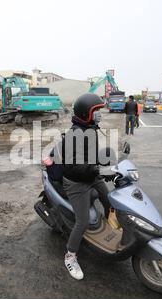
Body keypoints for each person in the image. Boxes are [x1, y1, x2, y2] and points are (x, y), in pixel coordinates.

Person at [60, 93, 112, 280]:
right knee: (82, 221)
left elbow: (90, 155)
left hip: (90, 174)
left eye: (99, 110)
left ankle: (109, 229)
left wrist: (104, 162)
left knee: (109, 199)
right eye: (96, 111)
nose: (99, 114)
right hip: (76, 182)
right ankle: (70, 256)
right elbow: (73, 167)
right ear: (86, 113)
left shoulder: (90, 128)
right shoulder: (75, 134)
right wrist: (97, 169)